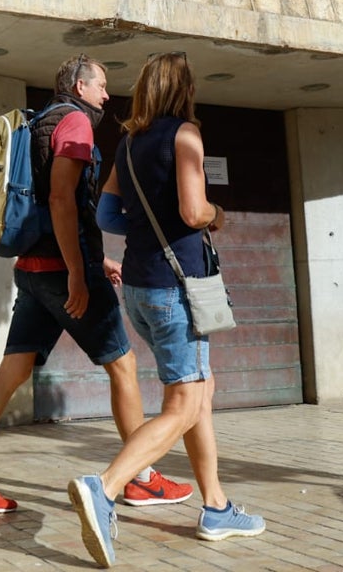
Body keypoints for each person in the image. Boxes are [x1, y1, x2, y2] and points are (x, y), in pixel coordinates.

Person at [0, 54, 192, 514]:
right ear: (79, 86)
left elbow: (45, 203)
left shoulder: (39, 122)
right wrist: (79, 270)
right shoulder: (75, 124)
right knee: (123, 364)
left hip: (32, 270)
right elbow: (60, 199)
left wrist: (99, 259)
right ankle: (139, 478)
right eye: (100, 85)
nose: (106, 94)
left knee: (12, 369)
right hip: (63, 271)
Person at [68, 52, 265, 568]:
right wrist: (219, 215)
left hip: (138, 288)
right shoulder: (186, 136)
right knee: (183, 404)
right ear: (184, 88)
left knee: (198, 389)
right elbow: (193, 211)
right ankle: (105, 486)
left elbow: (108, 211)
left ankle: (217, 506)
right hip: (177, 288)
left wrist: (144, 216)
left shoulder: (129, 143)